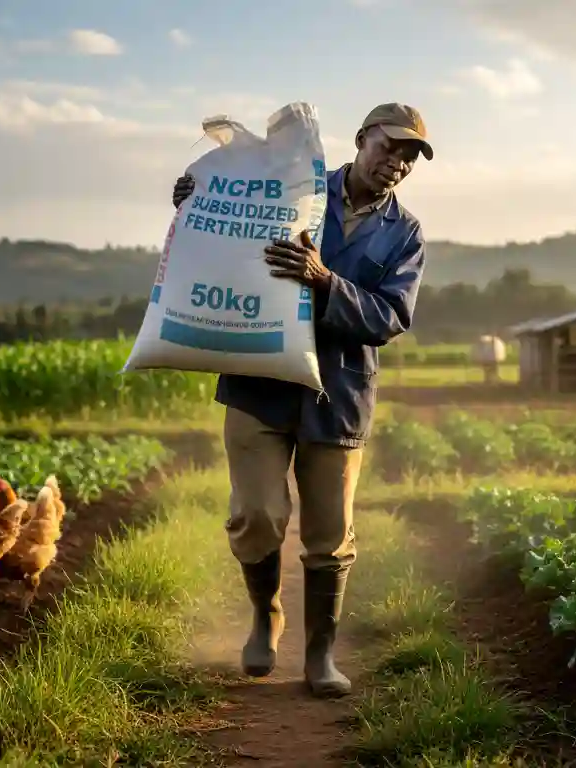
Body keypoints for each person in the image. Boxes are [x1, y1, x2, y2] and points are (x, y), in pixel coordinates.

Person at [171, 103, 432, 698]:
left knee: (329, 532)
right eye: (388, 147)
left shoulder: (406, 233)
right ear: (362, 139)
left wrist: (325, 282)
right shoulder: (294, 188)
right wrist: (200, 197)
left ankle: (320, 656)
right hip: (258, 381)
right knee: (256, 516)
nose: (396, 163)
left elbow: (391, 316)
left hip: (337, 394)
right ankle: (266, 616)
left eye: (410, 157)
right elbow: (226, 229)